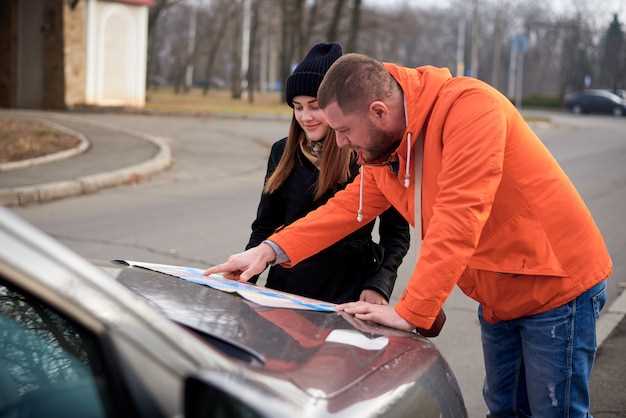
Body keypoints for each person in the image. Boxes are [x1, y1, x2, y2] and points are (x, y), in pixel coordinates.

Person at [206, 53, 612, 417]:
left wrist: (409, 312)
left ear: (379, 110)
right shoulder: (389, 146)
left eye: (344, 130)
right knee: (504, 410)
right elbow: (347, 208)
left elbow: (459, 217)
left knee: (553, 412)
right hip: (498, 293)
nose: (340, 143)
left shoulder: (471, 109)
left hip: (556, 286)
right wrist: (267, 251)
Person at [245, 43, 410, 305]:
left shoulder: (369, 153)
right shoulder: (282, 152)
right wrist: (244, 280)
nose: (306, 116)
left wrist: (379, 285)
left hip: (347, 294)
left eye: (315, 106)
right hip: (286, 290)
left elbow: (396, 234)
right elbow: (264, 226)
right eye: (298, 107)